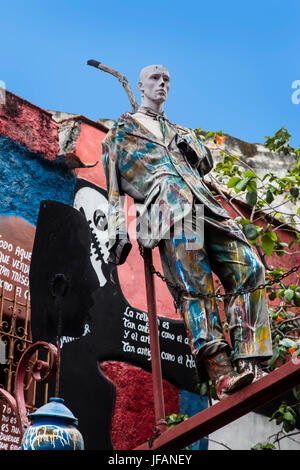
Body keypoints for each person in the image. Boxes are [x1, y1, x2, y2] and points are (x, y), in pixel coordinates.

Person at [102, 65, 272, 400]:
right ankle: (221, 372)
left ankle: (251, 361)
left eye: (167, 79)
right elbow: (113, 188)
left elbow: (205, 162)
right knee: (196, 284)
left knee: (250, 267)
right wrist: (117, 231)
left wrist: (193, 146)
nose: (162, 83)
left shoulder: (180, 130)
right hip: (176, 212)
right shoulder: (120, 131)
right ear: (140, 85)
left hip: (207, 207)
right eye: (155, 78)